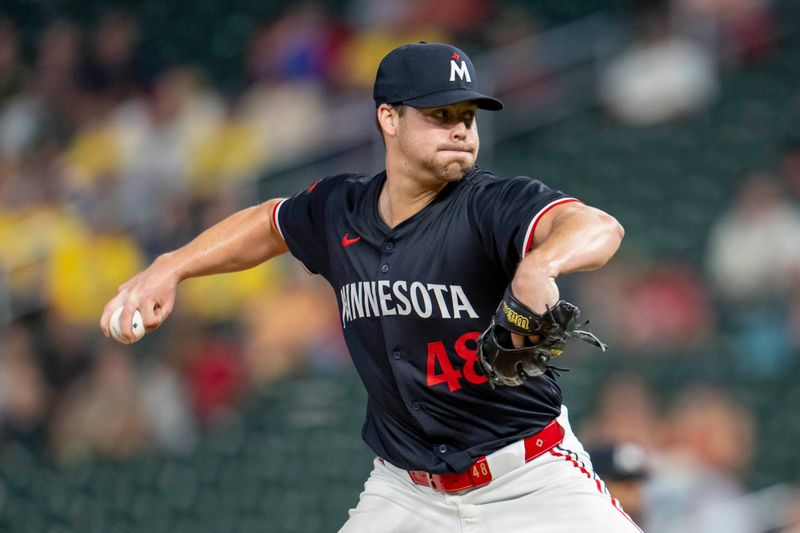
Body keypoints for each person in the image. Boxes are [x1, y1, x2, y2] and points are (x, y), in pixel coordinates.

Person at [101, 42, 638, 532]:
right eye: (440, 115)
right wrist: (170, 266)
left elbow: (597, 227)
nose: (460, 131)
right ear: (389, 118)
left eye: (467, 117)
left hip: (531, 480)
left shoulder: (490, 206)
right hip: (407, 493)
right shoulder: (341, 208)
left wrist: (539, 266)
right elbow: (268, 223)